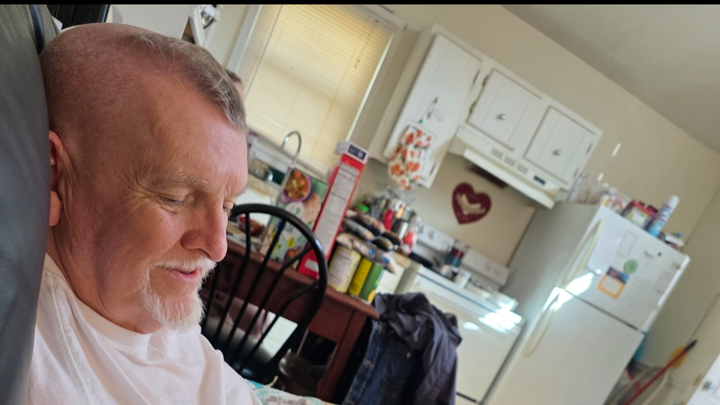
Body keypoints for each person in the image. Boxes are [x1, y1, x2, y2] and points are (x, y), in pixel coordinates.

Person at [28, 22, 261, 404]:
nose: (217, 246)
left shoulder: (144, 296)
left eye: (227, 205)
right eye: (176, 198)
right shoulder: (37, 365)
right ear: (53, 175)